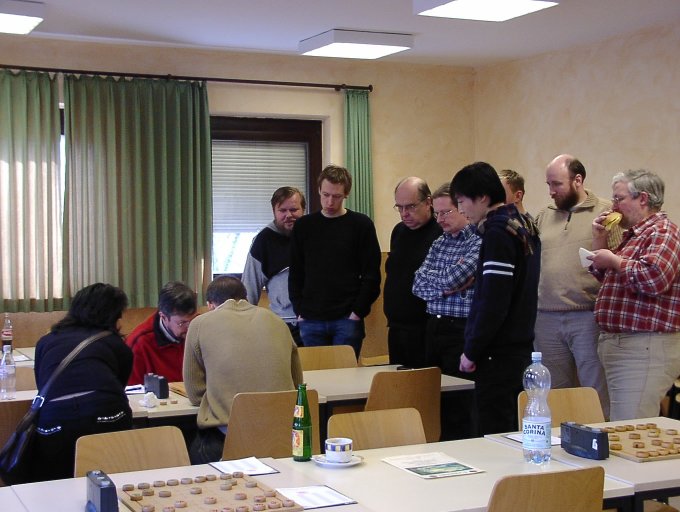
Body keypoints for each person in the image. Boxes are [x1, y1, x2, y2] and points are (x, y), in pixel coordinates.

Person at [452, 162, 541, 435]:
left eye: (462, 201)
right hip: (520, 346)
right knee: (513, 428)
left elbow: (493, 300)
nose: (461, 209)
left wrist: (472, 349)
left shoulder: (498, 232)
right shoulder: (523, 223)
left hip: (498, 353)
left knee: (493, 432)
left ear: (482, 197)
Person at [534, 154, 620, 418]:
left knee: (595, 391)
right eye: (548, 184)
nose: (551, 191)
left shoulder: (606, 213)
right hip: (546, 318)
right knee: (553, 395)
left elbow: (618, 261)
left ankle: (601, 437)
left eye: (557, 184)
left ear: (578, 180)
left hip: (587, 316)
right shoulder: (543, 216)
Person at [590, 169, 680, 421]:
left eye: (619, 199)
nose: (613, 206)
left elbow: (654, 278)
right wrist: (600, 239)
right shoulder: (633, 236)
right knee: (619, 424)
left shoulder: (663, 232)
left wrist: (615, 261)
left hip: (643, 346)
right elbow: (609, 277)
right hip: (623, 345)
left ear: (643, 198)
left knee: (630, 426)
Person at [183, 276, 303, 463]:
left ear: (210, 305)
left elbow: (195, 393)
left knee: (190, 444)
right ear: (246, 297)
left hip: (230, 442)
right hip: (285, 438)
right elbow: (297, 384)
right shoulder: (277, 321)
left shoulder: (199, 324)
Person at [30, 283, 132, 482]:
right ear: (112, 315)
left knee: (56, 482)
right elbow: (119, 387)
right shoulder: (115, 344)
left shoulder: (46, 341)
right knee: (109, 478)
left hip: (55, 417)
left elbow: (43, 386)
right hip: (107, 411)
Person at [289, 164, 381, 358]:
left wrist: (357, 312)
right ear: (318, 190)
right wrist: (300, 311)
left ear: (346, 194)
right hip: (310, 318)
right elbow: (296, 273)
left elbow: (372, 275)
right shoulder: (304, 226)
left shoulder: (361, 225)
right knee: (316, 374)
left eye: (337, 196)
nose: (330, 202)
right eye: (325, 195)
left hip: (347, 318)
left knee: (346, 374)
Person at [413, 182, 480, 377]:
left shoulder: (478, 240)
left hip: (462, 328)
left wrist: (440, 278)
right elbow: (417, 284)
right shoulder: (439, 243)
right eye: (436, 213)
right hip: (434, 326)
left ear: (462, 209)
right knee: (432, 387)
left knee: (459, 389)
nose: (439, 219)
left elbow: (453, 279)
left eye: (445, 212)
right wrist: (447, 289)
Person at [383, 177, 442, 368]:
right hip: (396, 326)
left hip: (425, 328)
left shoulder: (441, 233)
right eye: (399, 207)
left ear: (428, 202)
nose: (404, 213)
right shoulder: (398, 232)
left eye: (410, 207)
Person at [242, 187, 306, 346]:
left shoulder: (313, 235)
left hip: (316, 322)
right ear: (274, 211)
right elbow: (250, 286)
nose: (288, 215)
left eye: (294, 209)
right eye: (282, 210)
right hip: (284, 324)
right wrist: (244, 325)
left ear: (303, 209)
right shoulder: (263, 241)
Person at [126, 281, 197, 385]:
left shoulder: (200, 327)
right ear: (163, 317)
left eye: (193, 320)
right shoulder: (140, 344)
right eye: (182, 323)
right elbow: (131, 391)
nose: (190, 327)